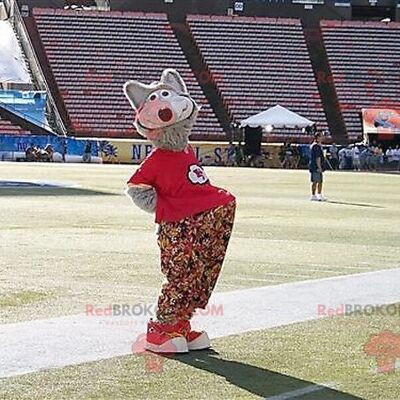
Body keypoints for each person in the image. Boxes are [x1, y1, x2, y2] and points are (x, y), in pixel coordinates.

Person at [309, 132, 327, 201]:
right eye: (321, 136)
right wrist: (319, 167)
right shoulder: (316, 146)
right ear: (318, 137)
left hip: (316, 165)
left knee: (319, 181)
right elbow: (317, 158)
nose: (323, 137)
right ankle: (314, 195)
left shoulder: (318, 145)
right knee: (316, 181)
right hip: (315, 166)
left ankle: (318, 194)